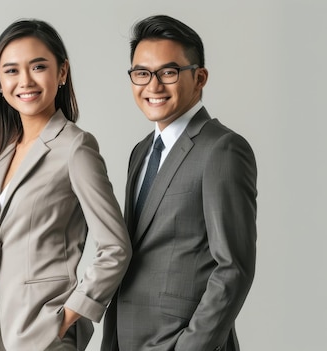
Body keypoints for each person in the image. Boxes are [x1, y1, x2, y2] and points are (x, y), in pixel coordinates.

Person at [0, 19, 132, 351]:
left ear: (61, 73)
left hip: (42, 336)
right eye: (11, 71)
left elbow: (115, 248)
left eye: (38, 67)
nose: (25, 81)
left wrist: (65, 317)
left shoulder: (75, 148)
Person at [101, 15, 258, 351]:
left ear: (199, 77)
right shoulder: (141, 152)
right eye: (141, 74)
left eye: (168, 72)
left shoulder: (222, 149)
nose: (153, 86)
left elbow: (233, 269)